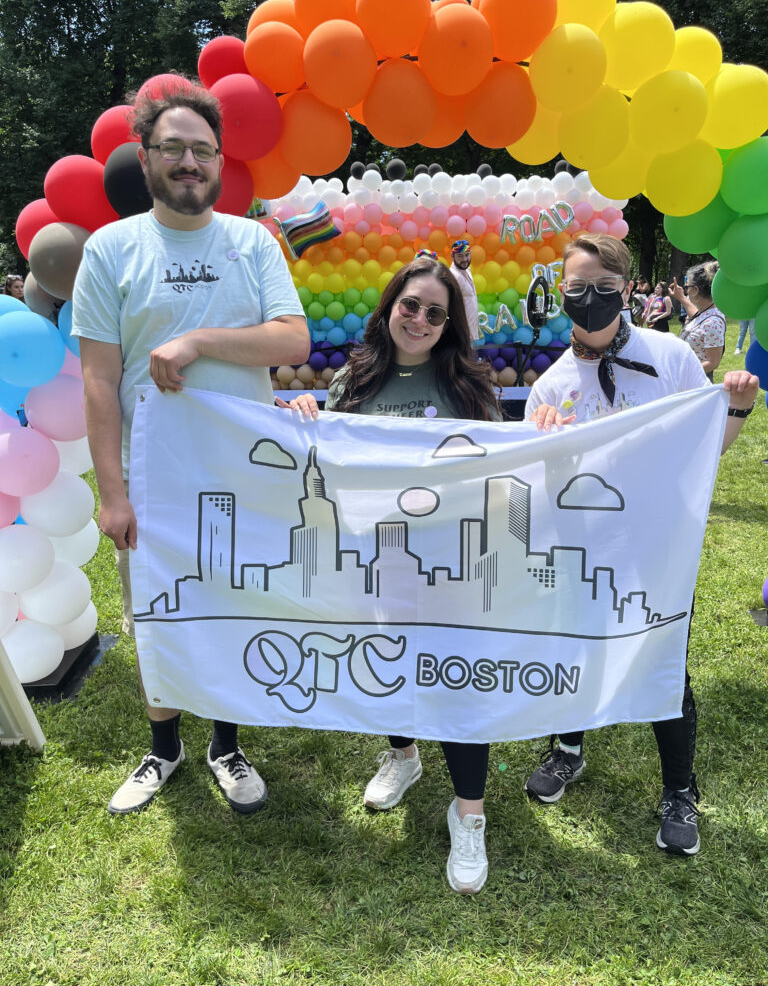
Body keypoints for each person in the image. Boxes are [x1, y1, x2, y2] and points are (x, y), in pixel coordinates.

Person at [71, 83, 309, 817]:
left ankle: (226, 745)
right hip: (155, 478)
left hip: (242, 472)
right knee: (156, 611)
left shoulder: (252, 241)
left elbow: (292, 339)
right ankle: (164, 748)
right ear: (145, 157)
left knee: (234, 603)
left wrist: (201, 340)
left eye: (202, 150)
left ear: (219, 160)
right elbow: (99, 380)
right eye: (173, 148)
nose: (189, 162)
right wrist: (113, 492)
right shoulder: (111, 251)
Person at [523, 232, 758, 856]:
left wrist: (735, 412)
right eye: (577, 290)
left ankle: (680, 789)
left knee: (661, 659)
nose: (591, 300)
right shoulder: (549, 387)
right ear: (561, 293)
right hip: (581, 544)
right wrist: (544, 443)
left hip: (655, 544)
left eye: (604, 288)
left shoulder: (672, 357)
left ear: (627, 289)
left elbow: (702, 452)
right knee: (578, 647)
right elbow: (538, 486)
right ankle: (567, 750)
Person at [278, 256, 502, 894]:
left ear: (451, 322)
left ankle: (469, 815)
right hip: (377, 557)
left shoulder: (468, 384)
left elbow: (493, 468)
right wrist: (302, 415)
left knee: (457, 682)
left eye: (437, 311)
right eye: (411, 305)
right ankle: (403, 756)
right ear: (390, 306)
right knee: (390, 660)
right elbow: (326, 459)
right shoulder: (353, 379)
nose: (421, 319)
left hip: (452, 567)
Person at [671, 262, 726, 380]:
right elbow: (697, 316)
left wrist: (681, 373)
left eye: (687, 287)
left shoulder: (713, 322)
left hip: (696, 381)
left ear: (695, 289)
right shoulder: (706, 313)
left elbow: (713, 363)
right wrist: (681, 297)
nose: (686, 291)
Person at [449, 239, 479, 343]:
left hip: (469, 332)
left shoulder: (466, 269)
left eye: (467, 255)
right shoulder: (453, 276)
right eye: (460, 256)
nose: (465, 259)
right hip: (460, 332)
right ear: (452, 256)